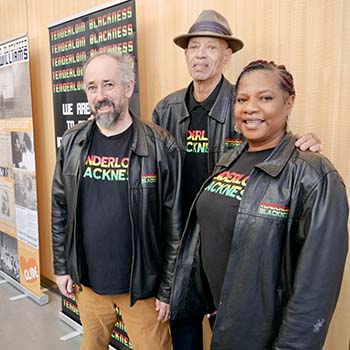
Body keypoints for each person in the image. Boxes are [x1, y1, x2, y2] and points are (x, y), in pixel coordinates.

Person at [153, 9, 323, 350]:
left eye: (211, 47)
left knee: (230, 334)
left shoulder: (244, 101)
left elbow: (274, 145)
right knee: (183, 333)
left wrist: (308, 141)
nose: (200, 55)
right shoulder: (166, 108)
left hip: (229, 245)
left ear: (227, 55)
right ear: (185, 54)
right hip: (183, 246)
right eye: (193, 47)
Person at [171, 60, 348, 350]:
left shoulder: (313, 175)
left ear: (289, 103)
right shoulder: (229, 159)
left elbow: (316, 289)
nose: (250, 108)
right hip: (227, 322)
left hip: (268, 338)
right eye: (242, 99)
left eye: (265, 98)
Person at [51, 52, 182, 350]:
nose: (100, 96)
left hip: (143, 288)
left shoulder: (160, 145)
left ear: (128, 87)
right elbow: (60, 207)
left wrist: (167, 288)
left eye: (108, 85)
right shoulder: (73, 142)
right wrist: (61, 267)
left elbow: (175, 224)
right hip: (89, 284)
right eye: (92, 87)